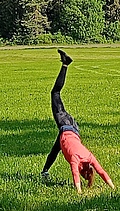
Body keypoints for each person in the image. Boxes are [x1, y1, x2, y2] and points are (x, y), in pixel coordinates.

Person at [42, 49, 115, 193]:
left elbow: (101, 172)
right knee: (55, 94)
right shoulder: (77, 161)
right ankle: (65, 64)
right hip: (67, 126)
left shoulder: (89, 157)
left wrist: (112, 186)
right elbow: (77, 175)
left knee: (56, 148)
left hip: (73, 128)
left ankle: (65, 64)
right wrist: (80, 191)